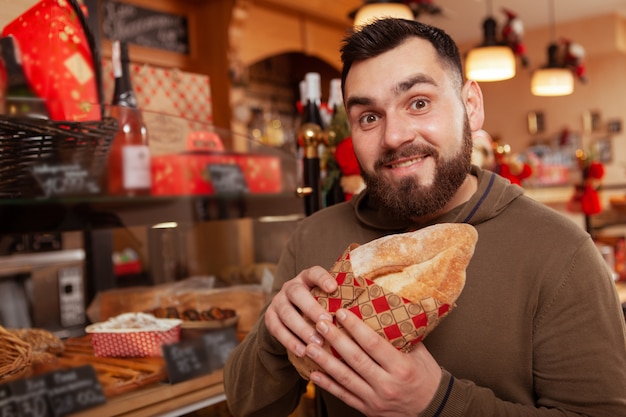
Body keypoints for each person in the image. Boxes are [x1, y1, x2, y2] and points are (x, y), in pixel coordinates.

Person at [224, 18, 626, 417]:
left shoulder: (560, 252)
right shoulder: (314, 236)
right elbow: (249, 406)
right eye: (369, 116)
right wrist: (274, 337)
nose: (394, 136)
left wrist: (438, 403)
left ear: (470, 106)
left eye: (418, 103)